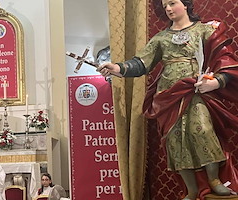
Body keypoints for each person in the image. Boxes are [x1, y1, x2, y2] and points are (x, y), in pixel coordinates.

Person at [97, 0, 238, 199]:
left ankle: (214, 180)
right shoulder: (160, 38)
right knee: (176, 140)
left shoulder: (203, 30)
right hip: (168, 96)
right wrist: (118, 68)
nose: (169, 9)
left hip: (195, 91)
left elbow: (225, 58)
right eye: (165, 6)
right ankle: (191, 189)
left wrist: (216, 82)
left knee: (203, 131)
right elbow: (141, 63)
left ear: (186, 4)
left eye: (172, 3)